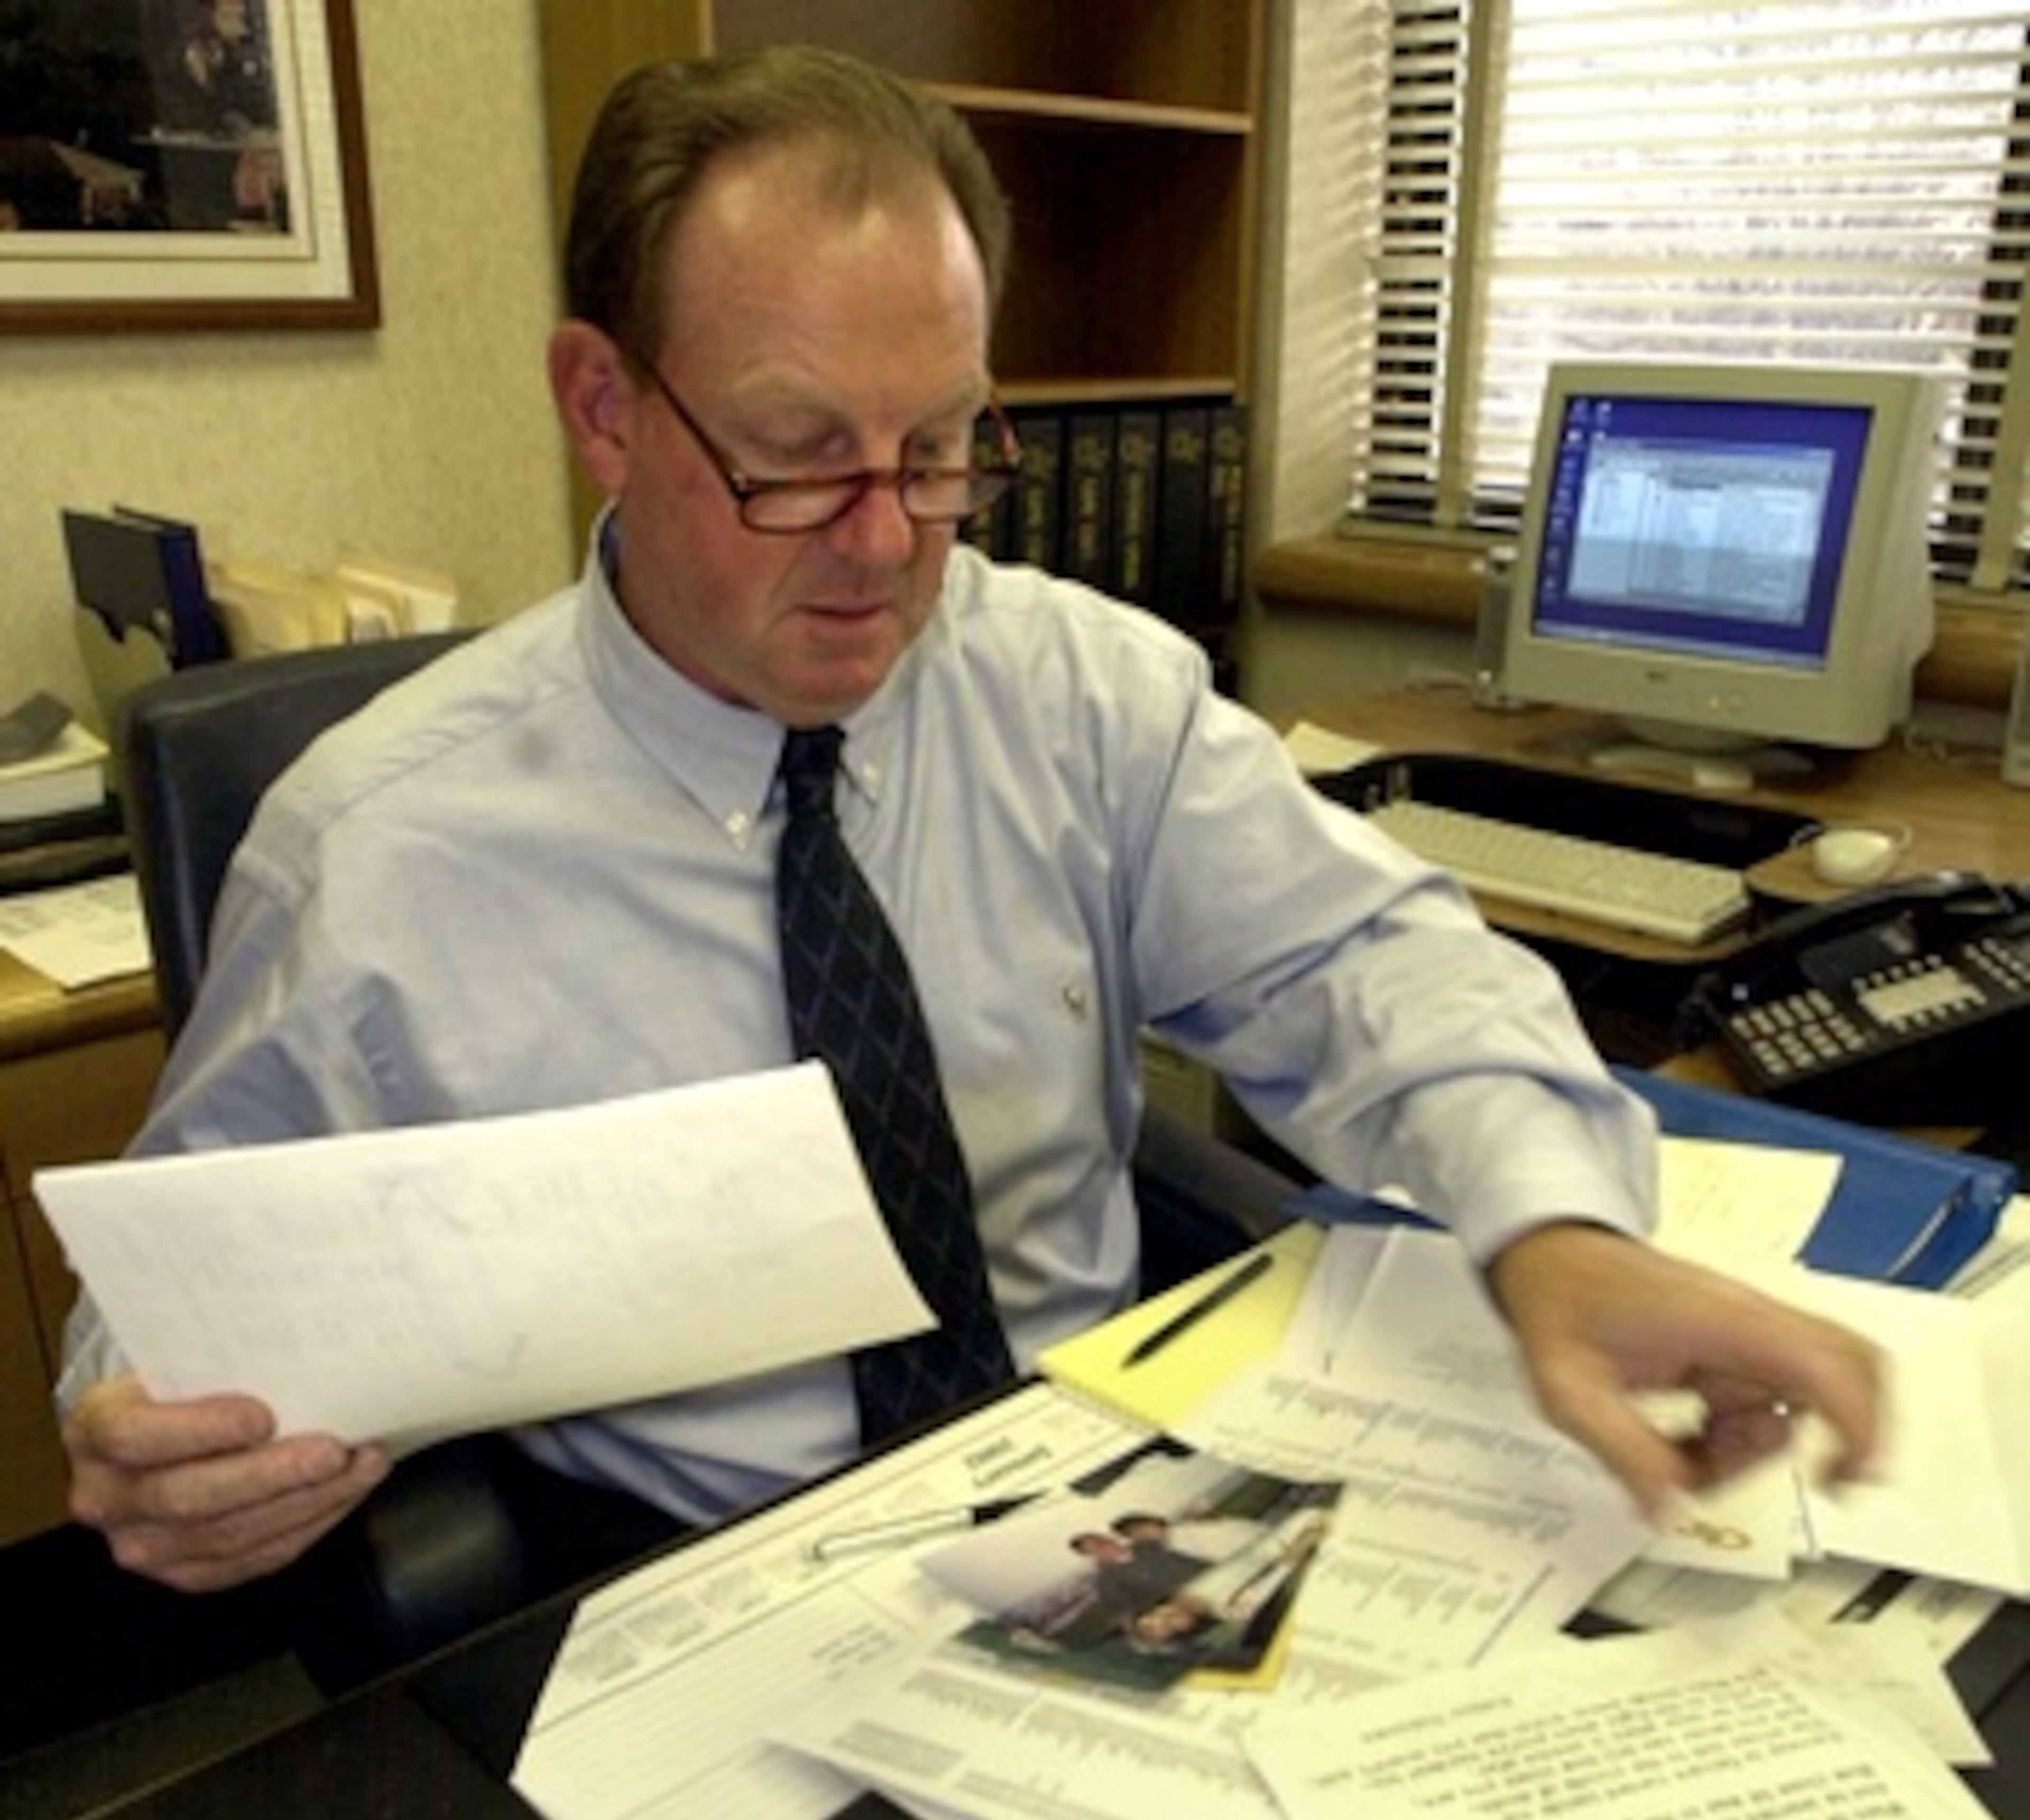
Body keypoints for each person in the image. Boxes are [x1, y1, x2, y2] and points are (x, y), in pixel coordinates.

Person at [60, 43, 1882, 1612]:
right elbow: (177, 1298)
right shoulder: (380, 846)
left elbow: (1368, 964)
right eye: (798, 455)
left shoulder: (1087, 697)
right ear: (605, 408)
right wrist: (160, 1438)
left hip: (1111, 1504)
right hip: (690, 1572)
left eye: (940, 446)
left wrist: (1560, 1236)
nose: (885, 541)